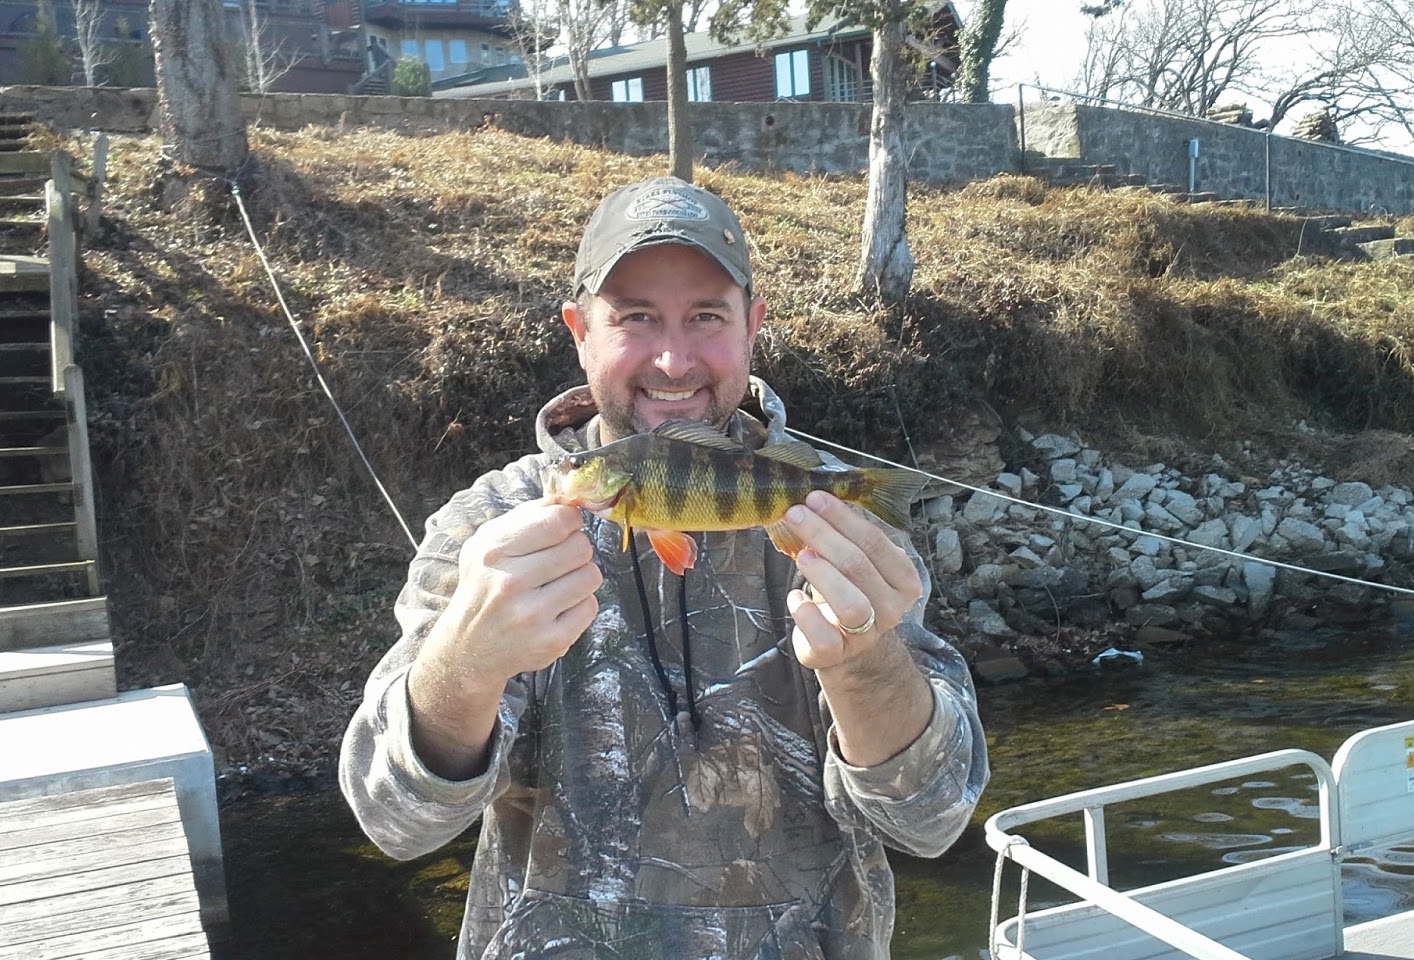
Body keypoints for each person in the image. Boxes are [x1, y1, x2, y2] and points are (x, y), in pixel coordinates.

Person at [339, 176, 988, 959]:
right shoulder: (491, 526)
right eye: (636, 317)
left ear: (752, 327)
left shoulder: (833, 519)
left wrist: (868, 665)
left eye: (706, 316)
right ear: (580, 331)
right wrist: (467, 662)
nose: (674, 361)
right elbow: (396, 823)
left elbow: (933, 822)